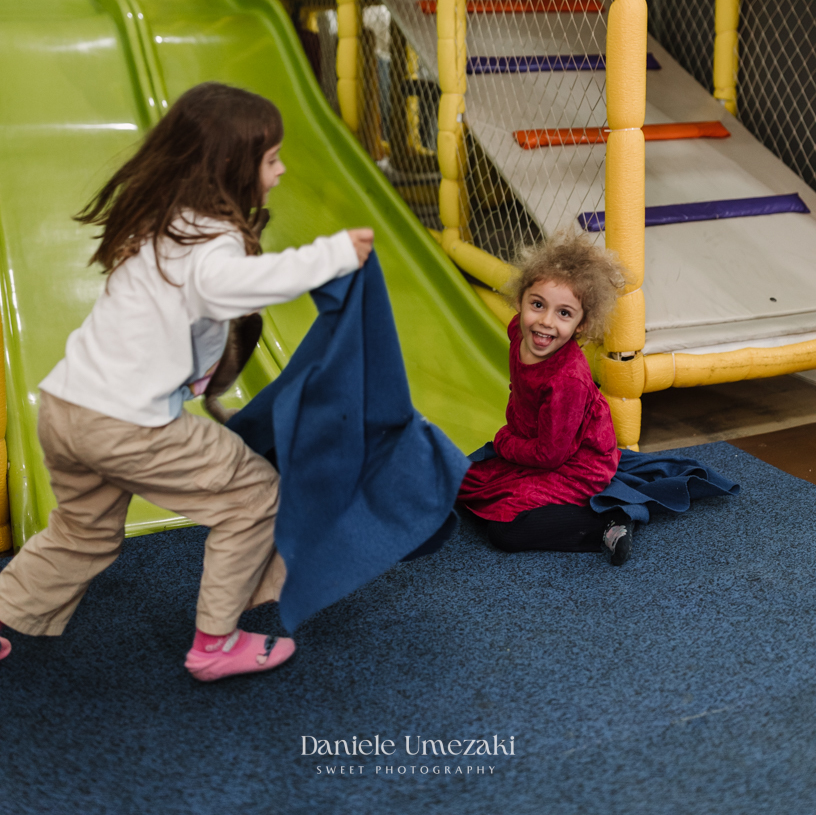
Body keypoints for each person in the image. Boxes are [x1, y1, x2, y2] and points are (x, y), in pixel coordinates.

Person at [0, 82, 374, 680]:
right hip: (124, 425)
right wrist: (332, 255)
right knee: (253, 497)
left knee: (83, 533)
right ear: (232, 165)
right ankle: (215, 643)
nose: (279, 172)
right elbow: (236, 285)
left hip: (65, 407)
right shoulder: (211, 243)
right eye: (271, 159)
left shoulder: (159, 218)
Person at [457, 232, 637, 565]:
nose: (545, 322)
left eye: (564, 314)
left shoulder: (566, 380)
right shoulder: (517, 331)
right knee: (461, 481)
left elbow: (550, 454)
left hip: (577, 465)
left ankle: (608, 522)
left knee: (505, 530)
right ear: (519, 301)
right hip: (534, 444)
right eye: (537, 305)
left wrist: (505, 442)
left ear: (581, 325)